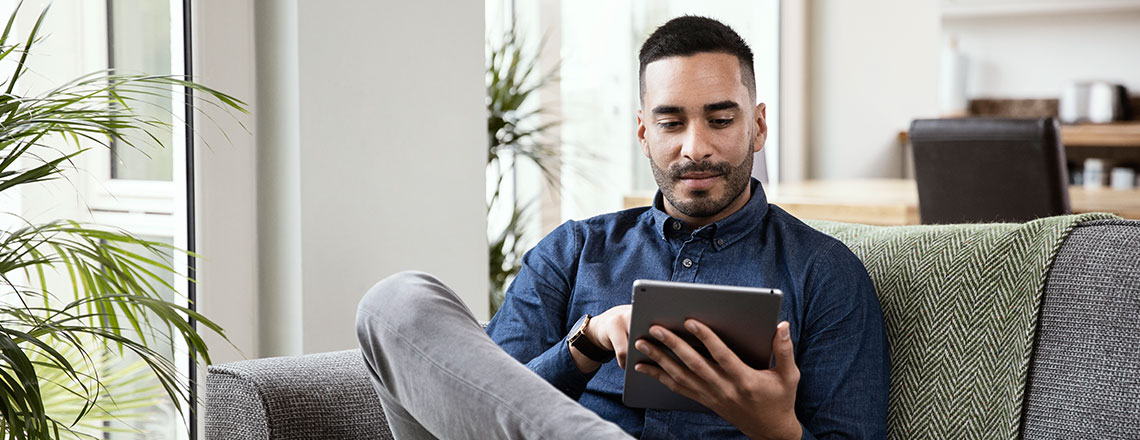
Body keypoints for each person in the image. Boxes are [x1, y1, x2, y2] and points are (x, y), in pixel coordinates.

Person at [356, 16, 888, 440]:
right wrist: (583, 346)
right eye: (671, 122)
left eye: (721, 120)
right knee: (396, 300)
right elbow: (482, 404)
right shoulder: (573, 251)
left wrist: (777, 430)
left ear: (759, 126)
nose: (695, 147)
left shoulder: (825, 273)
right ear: (643, 131)